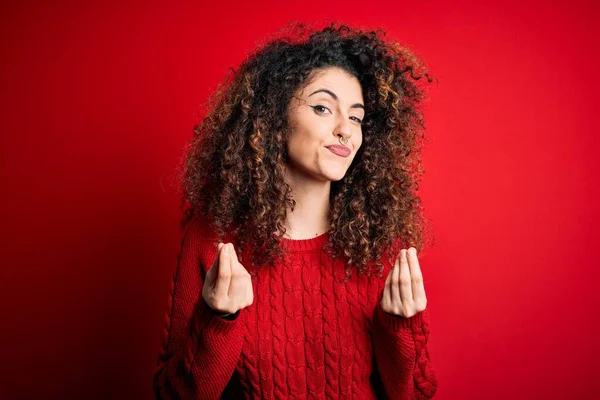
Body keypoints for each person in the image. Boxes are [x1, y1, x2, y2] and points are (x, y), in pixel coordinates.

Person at [152, 21, 438, 400]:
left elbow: (415, 395)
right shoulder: (213, 240)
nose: (346, 131)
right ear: (274, 119)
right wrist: (217, 321)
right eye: (323, 108)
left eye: (356, 117)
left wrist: (401, 328)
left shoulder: (382, 243)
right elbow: (174, 395)